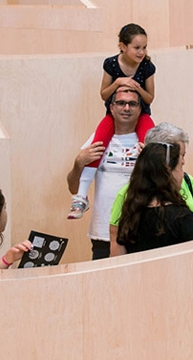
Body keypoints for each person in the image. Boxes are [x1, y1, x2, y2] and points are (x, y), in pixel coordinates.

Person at [67, 23, 156, 219]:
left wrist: (135, 87)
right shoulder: (111, 64)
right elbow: (104, 94)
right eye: (137, 48)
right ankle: (81, 197)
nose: (142, 52)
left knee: (151, 147)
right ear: (122, 46)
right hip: (109, 115)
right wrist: (118, 83)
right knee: (96, 147)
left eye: (144, 47)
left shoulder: (147, 67)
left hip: (143, 116)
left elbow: (149, 98)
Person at [66, 87, 143, 260]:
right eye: (121, 103)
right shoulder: (98, 138)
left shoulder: (148, 141)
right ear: (112, 107)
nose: (126, 108)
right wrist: (78, 163)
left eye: (132, 104)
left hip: (141, 230)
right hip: (103, 233)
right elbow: (73, 188)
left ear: (140, 109)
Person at [109, 142, 193, 256]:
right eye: (181, 167)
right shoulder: (184, 218)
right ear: (169, 173)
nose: (183, 174)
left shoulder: (130, 216)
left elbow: (118, 262)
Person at [142, 122, 193, 236]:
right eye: (180, 156)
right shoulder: (130, 192)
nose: (183, 161)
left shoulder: (188, 181)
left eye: (183, 155)